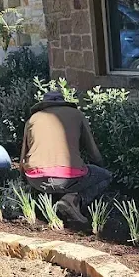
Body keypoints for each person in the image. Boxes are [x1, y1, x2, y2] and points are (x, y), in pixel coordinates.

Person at [19, 90, 113, 225]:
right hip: (68, 177)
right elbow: (92, 150)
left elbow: (24, 154)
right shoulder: (77, 114)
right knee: (105, 176)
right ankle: (72, 200)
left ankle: (55, 205)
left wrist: (23, 178)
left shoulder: (32, 119)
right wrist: (100, 164)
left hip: (36, 178)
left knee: (54, 178)